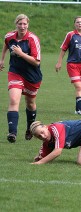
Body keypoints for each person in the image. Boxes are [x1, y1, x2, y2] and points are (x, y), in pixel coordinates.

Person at [0, 14, 42, 143]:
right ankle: (12, 132)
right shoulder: (9, 36)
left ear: (28, 25)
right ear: (16, 24)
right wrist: (2, 59)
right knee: (14, 99)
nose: (22, 26)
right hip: (15, 72)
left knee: (30, 103)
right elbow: (6, 44)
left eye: (25, 24)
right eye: (20, 24)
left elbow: (36, 62)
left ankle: (30, 128)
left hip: (32, 75)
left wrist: (21, 53)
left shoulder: (33, 39)